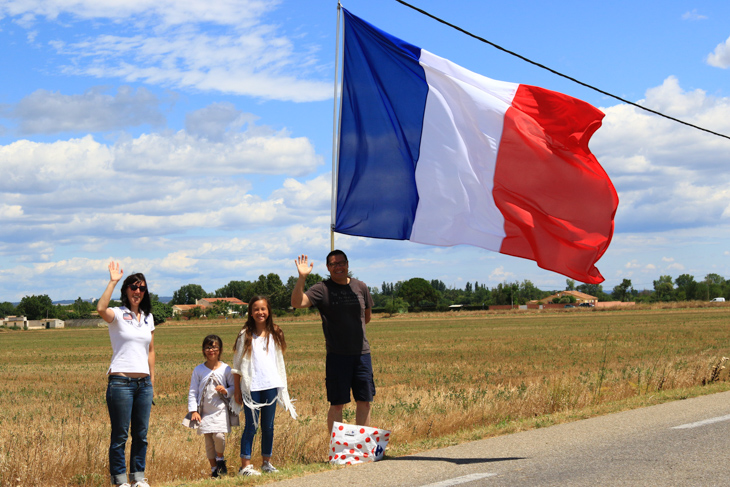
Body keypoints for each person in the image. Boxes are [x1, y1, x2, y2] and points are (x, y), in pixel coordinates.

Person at [291, 250, 375, 434]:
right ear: (328, 268)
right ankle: (337, 449)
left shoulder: (361, 287)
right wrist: (302, 278)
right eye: (334, 264)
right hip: (337, 356)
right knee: (337, 404)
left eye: (341, 263)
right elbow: (297, 302)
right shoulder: (322, 289)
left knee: (364, 401)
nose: (338, 267)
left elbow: (366, 317)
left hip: (362, 354)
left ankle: (361, 448)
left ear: (348, 264)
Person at [97, 261, 155, 487]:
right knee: (120, 436)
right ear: (126, 291)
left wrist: (152, 381)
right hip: (120, 383)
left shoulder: (148, 317)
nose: (137, 291)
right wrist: (113, 281)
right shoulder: (118, 314)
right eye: (133, 287)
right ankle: (120, 481)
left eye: (141, 288)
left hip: (143, 384)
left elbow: (150, 350)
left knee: (141, 435)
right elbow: (101, 309)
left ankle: (138, 478)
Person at [231, 295, 297, 476]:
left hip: (270, 386)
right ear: (251, 313)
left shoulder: (276, 332)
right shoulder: (244, 335)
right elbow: (237, 366)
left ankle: (266, 462)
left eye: (263, 309)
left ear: (268, 312)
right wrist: (237, 389)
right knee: (251, 426)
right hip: (252, 387)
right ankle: (245, 466)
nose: (260, 312)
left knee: (268, 426)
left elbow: (279, 361)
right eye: (256, 309)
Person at [187, 334, 235, 478]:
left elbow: (233, 387)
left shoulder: (226, 369)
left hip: (220, 409)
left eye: (214, 347)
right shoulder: (198, 370)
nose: (211, 350)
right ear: (203, 350)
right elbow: (193, 391)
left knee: (219, 436)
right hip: (204, 411)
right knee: (208, 441)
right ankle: (214, 469)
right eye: (208, 347)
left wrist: (226, 390)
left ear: (219, 350)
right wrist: (193, 411)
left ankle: (220, 459)